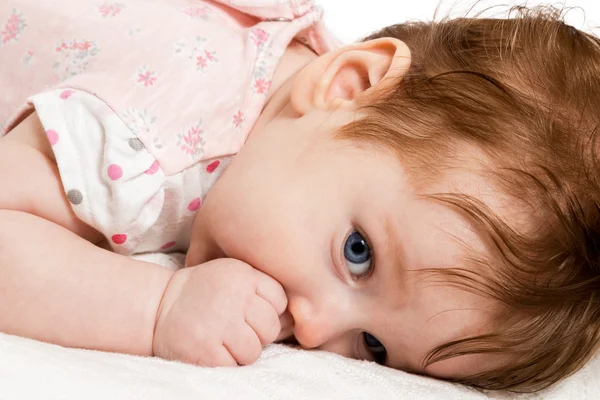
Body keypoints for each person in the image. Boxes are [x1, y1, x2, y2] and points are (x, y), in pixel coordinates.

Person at [1, 0, 599, 392]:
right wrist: (156, 308)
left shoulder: (323, 129)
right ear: (350, 83)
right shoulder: (146, 147)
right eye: (358, 252)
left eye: (374, 347)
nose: (313, 330)